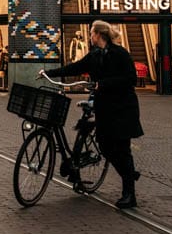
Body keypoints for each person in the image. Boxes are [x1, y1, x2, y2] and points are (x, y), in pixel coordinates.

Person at [41, 20, 143, 209]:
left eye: (91, 33)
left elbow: (130, 78)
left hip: (123, 108)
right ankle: (128, 173)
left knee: (122, 148)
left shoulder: (120, 53)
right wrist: (49, 72)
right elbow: (75, 67)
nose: (89, 36)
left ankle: (129, 194)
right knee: (105, 146)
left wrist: (104, 83)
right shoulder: (94, 55)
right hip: (104, 107)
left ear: (99, 35)